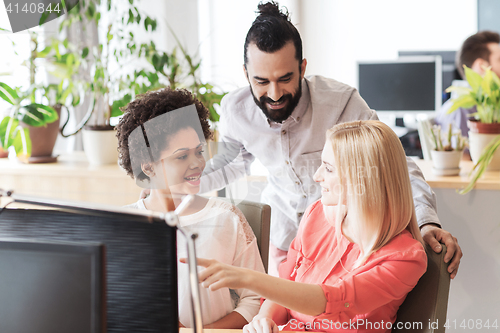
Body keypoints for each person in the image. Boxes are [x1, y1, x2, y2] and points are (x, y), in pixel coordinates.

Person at [197, 1, 462, 278]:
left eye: (285, 78)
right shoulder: (235, 110)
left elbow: (394, 164)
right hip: (283, 239)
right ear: (246, 74)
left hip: (339, 242)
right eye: (261, 81)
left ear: (302, 68)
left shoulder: (341, 103)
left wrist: (426, 222)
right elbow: (230, 165)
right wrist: (173, 184)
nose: (274, 94)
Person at [189, 120, 428, 333]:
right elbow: (287, 285)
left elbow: (332, 302)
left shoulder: (405, 258)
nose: (316, 176)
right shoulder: (317, 215)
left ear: (363, 180)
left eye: (329, 168)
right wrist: (264, 319)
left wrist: (249, 279)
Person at [116, 88, 265, 328]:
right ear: (149, 167)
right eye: (181, 156)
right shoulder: (122, 225)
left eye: (199, 151)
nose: (197, 163)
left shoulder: (227, 219)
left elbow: (256, 299)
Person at [435, 30, 500, 137]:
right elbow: (460, 154)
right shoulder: (460, 110)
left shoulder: (491, 105)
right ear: (482, 67)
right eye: (499, 60)